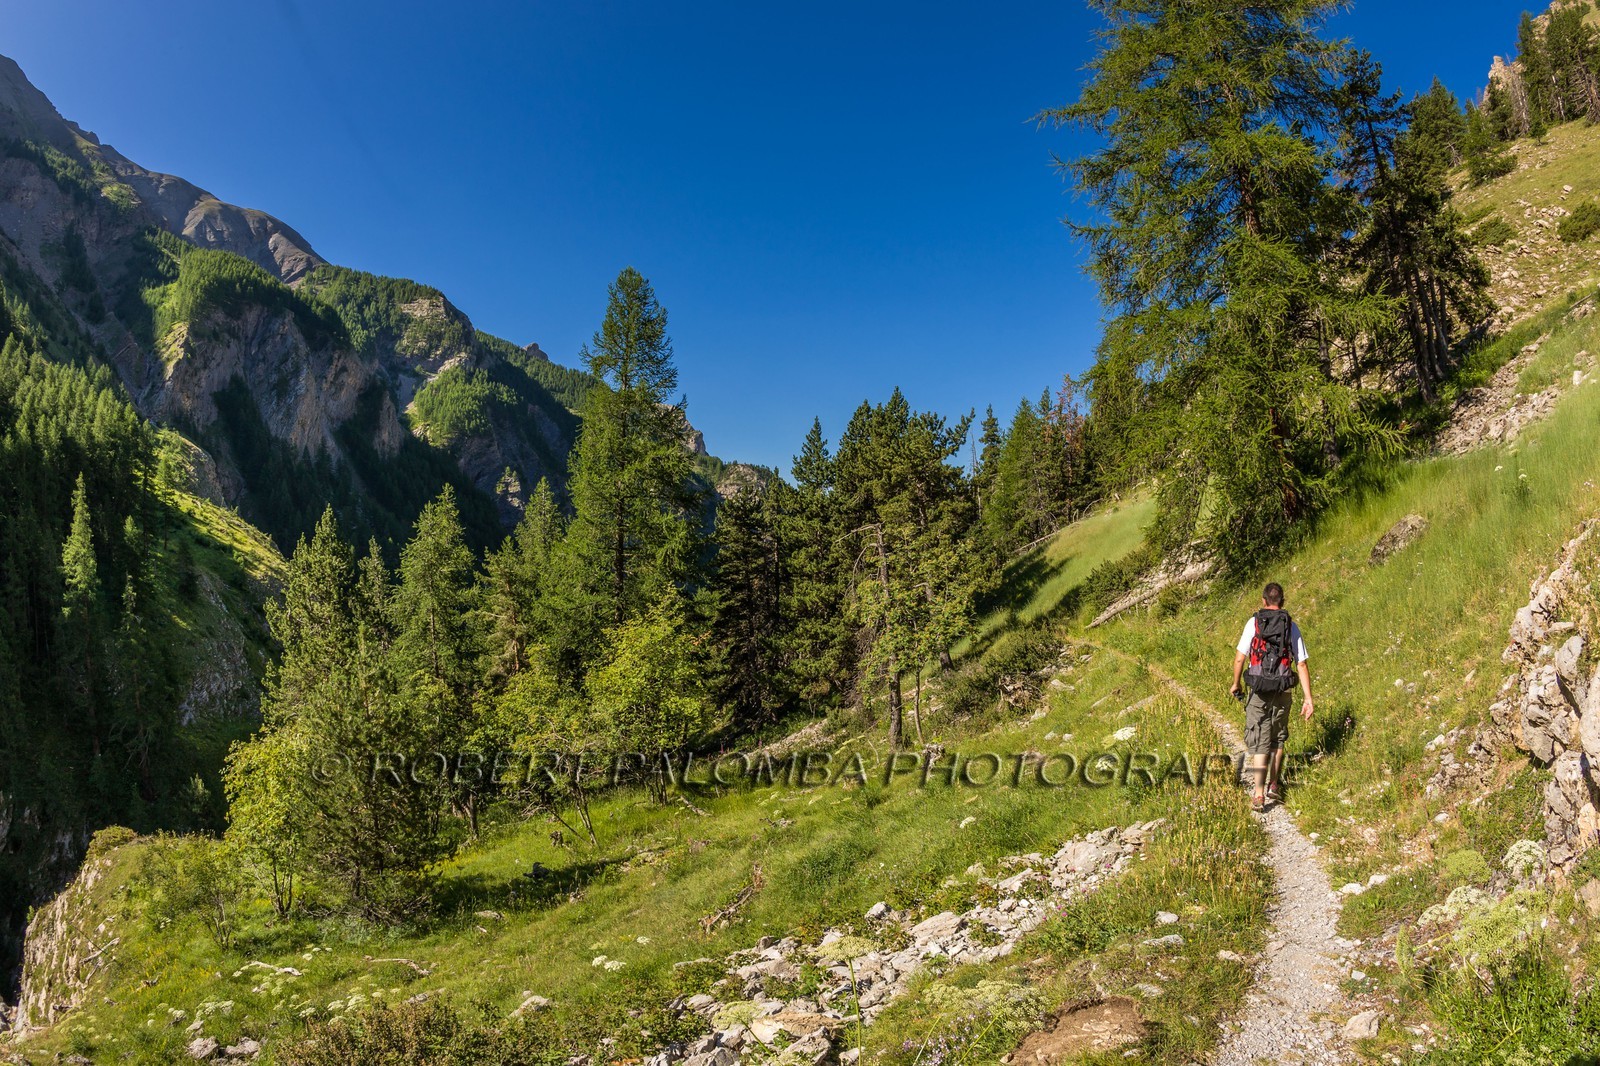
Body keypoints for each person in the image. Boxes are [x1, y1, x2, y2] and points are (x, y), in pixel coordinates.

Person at [1228, 582, 1314, 811]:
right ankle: (1274, 785)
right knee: (1277, 738)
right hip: (1284, 688)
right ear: (1283, 601)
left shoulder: (1254, 622)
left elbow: (1240, 658)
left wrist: (1236, 684)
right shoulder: (1290, 626)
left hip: (1259, 689)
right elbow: (1302, 663)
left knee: (1259, 740)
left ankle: (1258, 795)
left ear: (1263, 601)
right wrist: (1308, 698)